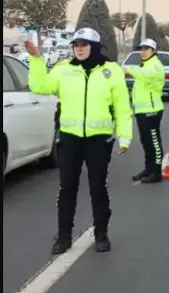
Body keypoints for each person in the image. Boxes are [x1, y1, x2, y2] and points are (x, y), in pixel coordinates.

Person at [24, 28, 132, 254]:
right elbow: (40, 86)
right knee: (67, 188)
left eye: (84, 44)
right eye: (76, 44)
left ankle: (101, 234)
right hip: (70, 140)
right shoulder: (64, 70)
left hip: (98, 141)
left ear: (94, 47)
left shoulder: (111, 71)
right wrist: (35, 60)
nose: (79, 48)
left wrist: (125, 137)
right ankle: (64, 236)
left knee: (97, 188)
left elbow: (122, 107)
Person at [124, 39, 165, 184]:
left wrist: (128, 69)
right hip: (141, 110)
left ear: (153, 51)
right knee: (145, 141)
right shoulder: (145, 64)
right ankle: (148, 169)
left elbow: (146, 75)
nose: (143, 52)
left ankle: (157, 172)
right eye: (141, 49)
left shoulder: (155, 65)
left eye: (146, 49)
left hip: (152, 110)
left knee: (154, 142)